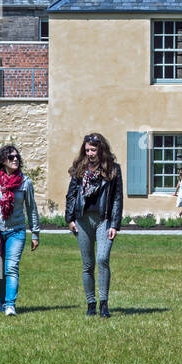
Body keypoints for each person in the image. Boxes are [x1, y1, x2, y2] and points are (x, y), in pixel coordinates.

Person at [0, 144, 40, 316]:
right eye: (11, 157)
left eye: (17, 157)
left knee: (11, 267)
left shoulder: (25, 182)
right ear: (2, 161)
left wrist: (35, 233)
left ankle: (10, 304)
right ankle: (1, 302)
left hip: (16, 231)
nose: (15, 160)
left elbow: (31, 208)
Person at [66, 132, 124, 318]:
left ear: (101, 149)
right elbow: (72, 195)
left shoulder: (113, 169)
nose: (90, 153)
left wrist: (115, 224)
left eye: (93, 149)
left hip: (104, 220)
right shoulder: (79, 168)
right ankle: (91, 304)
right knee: (88, 264)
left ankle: (104, 304)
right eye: (87, 150)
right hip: (83, 220)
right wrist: (70, 219)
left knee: (102, 259)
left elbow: (117, 198)